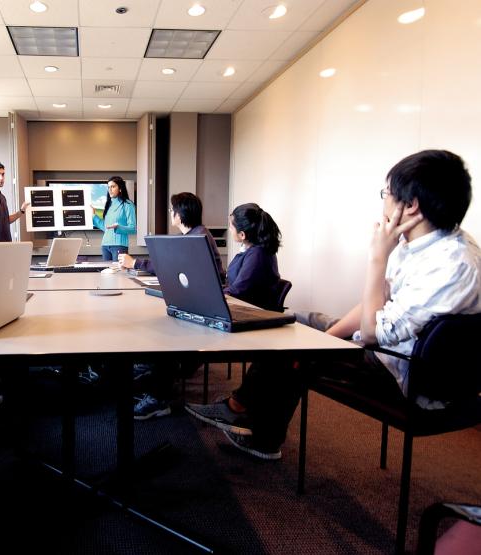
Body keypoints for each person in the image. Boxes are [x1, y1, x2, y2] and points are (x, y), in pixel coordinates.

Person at [186, 149, 481, 460]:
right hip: (391, 348)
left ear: (410, 206)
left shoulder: (451, 263)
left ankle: (254, 426)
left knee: (289, 345)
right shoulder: (422, 245)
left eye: (387, 194)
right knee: (289, 322)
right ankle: (247, 413)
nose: (383, 202)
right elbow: (374, 307)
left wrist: (377, 258)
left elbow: (370, 334)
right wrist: (326, 339)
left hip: (402, 372)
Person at [118, 192, 225, 420]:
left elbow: (171, 266)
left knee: (162, 333)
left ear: (180, 213)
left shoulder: (197, 238)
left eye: (171, 209)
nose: (170, 213)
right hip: (196, 302)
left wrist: (136, 262)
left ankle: (159, 397)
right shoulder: (195, 234)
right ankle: (151, 370)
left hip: (202, 309)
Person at [224, 203, 282, 310]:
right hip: (243, 307)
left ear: (242, 235)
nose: (229, 230)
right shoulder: (253, 250)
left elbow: (238, 290)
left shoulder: (258, 254)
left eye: (231, 227)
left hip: (253, 312)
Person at [92, 176, 136, 261]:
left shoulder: (128, 204)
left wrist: (118, 227)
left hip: (119, 245)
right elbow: (106, 227)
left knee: (118, 273)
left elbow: (133, 228)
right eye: (108, 187)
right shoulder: (109, 205)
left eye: (113, 186)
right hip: (105, 245)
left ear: (120, 188)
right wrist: (94, 216)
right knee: (106, 273)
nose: (110, 189)